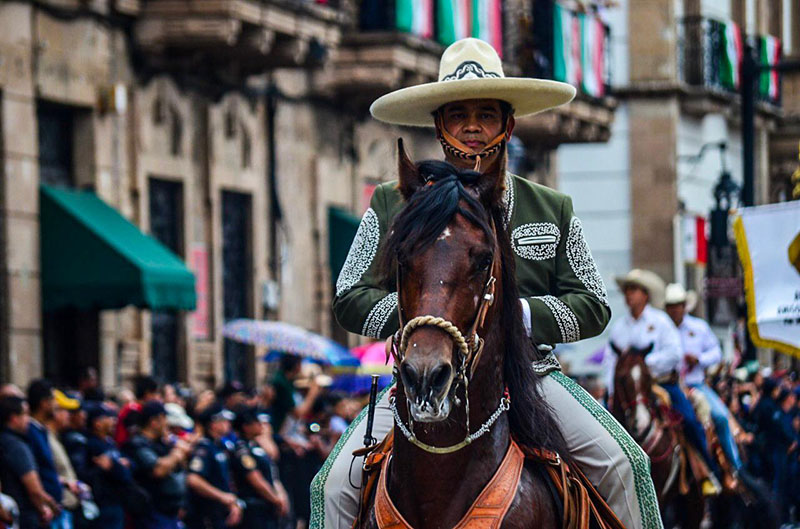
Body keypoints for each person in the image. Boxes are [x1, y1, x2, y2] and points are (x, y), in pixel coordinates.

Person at [314, 37, 660, 529]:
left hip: (533, 377)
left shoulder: (551, 206)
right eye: (458, 114)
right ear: (439, 125)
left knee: (627, 464)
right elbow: (349, 296)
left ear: (508, 124)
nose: (472, 126)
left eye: (486, 114)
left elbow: (595, 304)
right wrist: (428, 318)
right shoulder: (393, 202)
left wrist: (518, 314)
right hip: (419, 378)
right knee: (329, 486)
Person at [604, 270, 718, 495]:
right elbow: (610, 363)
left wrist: (642, 367)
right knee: (605, 427)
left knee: (690, 420)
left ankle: (708, 472)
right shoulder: (619, 328)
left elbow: (674, 353)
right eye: (627, 290)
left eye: (634, 290)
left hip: (662, 385)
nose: (629, 295)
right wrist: (610, 390)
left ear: (645, 295)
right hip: (627, 391)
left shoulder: (661, 322)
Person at [664, 283, 745, 477]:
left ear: (685, 306)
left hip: (695, 384)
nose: (675, 309)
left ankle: (735, 468)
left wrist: (699, 360)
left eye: (678, 304)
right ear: (667, 308)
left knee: (720, 417)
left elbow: (716, 352)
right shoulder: (661, 329)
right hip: (668, 386)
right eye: (671, 305)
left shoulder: (698, 327)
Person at [125, 401, 192, 529]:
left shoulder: (162, 444)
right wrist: (178, 452)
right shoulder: (137, 444)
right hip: (152, 512)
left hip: (171, 511)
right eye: (163, 419)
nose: (166, 424)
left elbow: (180, 470)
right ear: (153, 421)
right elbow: (158, 470)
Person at [0, 396, 59, 528]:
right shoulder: (16, 446)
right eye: (25, 414)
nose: (28, 419)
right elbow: (34, 489)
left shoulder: (5, 441)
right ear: (13, 418)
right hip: (25, 516)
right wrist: (44, 508)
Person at [230, 407, 289, 529]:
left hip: (267, 506)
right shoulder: (242, 449)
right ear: (246, 427)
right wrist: (275, 499)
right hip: (254, 506)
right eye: (256, 422)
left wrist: (280, 496)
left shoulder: (256, 446)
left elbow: (273, 468)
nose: (260, 425)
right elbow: (255, 478)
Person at [185, 405, 242, 529]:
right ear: (213, 424)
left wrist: (233, 503)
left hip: (221, 513)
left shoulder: (221, 446)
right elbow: (193, 479)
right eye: (223, 421)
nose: (228, 424)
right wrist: (221, 496)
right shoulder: (204, 448)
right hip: (206, 513)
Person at [26, 380, 71, 529]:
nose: (56, 405)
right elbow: (33, 472)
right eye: (53, 400)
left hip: (53, 509)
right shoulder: (31, 432)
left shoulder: (41, 431)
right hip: (44, 512)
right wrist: (44, 503)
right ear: (44, 403)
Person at [84, 403, 132, 529]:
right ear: (97, 423)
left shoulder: (110, 443)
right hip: (104, 505)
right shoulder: (92, 444)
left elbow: (126, 471)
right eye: (108, 418)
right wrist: (117, 466)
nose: (113, 421)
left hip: (117, 502)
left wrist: (115, 465)